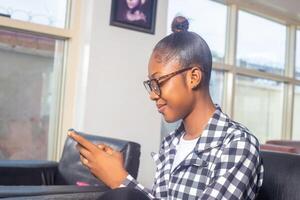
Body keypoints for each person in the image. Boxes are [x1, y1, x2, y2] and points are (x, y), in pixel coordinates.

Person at [68, 16, 264, 200]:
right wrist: (119, 177)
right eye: (151, 85)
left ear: (193, 77)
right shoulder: (171, 143)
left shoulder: (238, 145)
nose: (152, 94)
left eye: (159, 82)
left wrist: (117, 179)